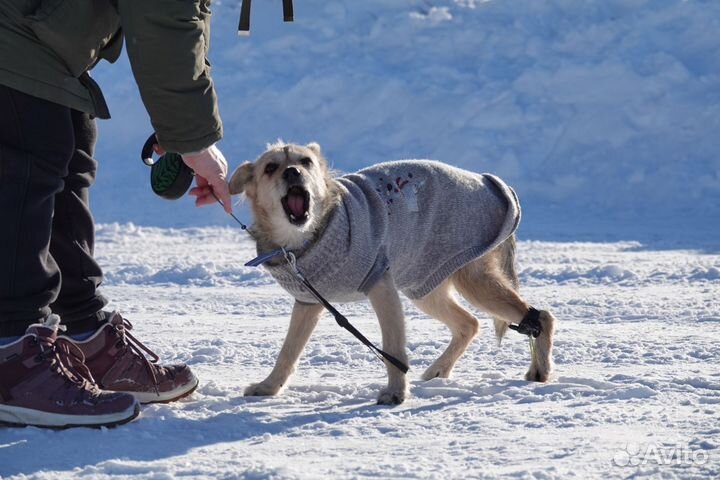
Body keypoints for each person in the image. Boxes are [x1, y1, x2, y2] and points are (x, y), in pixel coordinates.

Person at [0, 0, 233, 428]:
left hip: (37, 37)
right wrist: (192, 138)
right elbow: (163, 12)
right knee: (26, 159)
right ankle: (10, 354)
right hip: (15, 34)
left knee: (68, 147)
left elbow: (186, 16)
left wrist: (178, 128)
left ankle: (80, 331)